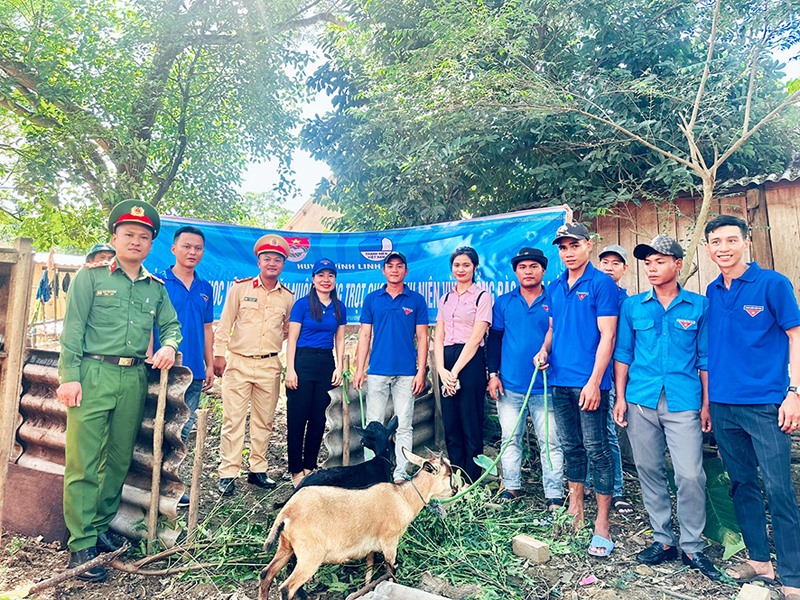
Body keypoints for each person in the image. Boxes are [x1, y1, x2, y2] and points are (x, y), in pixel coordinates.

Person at [57, 200, 181, 581]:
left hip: (133, 378)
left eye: (144, 237)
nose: (136, 241)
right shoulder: (90, 278)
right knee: (83, 460)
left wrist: (168, 346)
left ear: (150, 244)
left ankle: (99, 527)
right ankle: (79, 545)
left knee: (118, 458)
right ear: (115, 237)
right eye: (129, 234)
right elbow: (73, 330)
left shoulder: (155, 288)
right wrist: (68, 377)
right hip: (92, 373)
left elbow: (172, 326)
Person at [703, 215, 800, 599]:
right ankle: (760, 561)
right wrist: (709, 403)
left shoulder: (773, 284)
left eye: (730, 240)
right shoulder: (712, 290)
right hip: (724, 406)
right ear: (708, 247)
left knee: (779, 489)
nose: (723, 248)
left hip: (766, 404)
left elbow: (796, 336)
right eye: (715, 241)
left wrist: (794, 391)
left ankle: (792, 575)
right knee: (742, 484)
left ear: (746, 242)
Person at [613, 235, 719, 580]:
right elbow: (623, 354)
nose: (653, 268)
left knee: (690, 474)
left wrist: (705, 404)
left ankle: (692, 545)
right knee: (648, 469)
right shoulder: (633, 306)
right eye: (648, 263)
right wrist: (620, 396)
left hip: (683, 400)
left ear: (677, 264)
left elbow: (705, 358)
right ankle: (663, 540)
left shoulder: (699, 306)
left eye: (660, 261)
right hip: (641, 399)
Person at [534, 222, 617, 558]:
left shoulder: (601, 284)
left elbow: (608, 336)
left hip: (590, 383)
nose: (568, 252)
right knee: (571, 447)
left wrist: (595, 381)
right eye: (562, 247)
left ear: (588, 245)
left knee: (597, 448)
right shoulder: (554, 287)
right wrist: (544, 350)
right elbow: (554, 328)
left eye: (574, 245)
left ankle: (602, 523)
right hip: (559, 379)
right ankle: (575, 510)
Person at [213, 234, 294, 496]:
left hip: (270, 365)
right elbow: (225, 324)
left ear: (283, 264)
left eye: (278, 259)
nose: (272, 263)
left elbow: (286, 330)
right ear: (258, 261)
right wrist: (218, 354)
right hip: (239, 363)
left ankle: (258, 469)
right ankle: (228, 473)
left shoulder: (288, 297)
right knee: (233, 420)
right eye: (267, 258)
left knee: (264, 421)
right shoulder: (240, 289)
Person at [487, 247, 564, 507]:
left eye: (533, 266)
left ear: (543, 270)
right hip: (510, 386)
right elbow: (494, 340)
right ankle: (511, 488)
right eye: (522, 267)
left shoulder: (554, 299)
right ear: (516, 272)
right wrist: (493, 375)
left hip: (546, 385)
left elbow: (560, 335)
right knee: (510, 440)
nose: (528, 271)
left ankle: (554, 494)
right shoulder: (504, 302)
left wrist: (549, 356)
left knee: (550, 442)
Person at [353, 251, 429, 482]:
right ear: (383, 271)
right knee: (372, 428)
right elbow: (365, 335)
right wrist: (359, 369)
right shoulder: (373, 299)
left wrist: (421, 371)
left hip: (407, 374)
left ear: (406, 271)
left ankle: (399, 474)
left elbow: (423, 338)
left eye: (399, 266)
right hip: (377, 371)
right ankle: (372, 474)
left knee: (404, 425)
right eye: (390, 266)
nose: (394, 270)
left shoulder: (416, 300)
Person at [154, 226, 215, 507]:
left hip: (195, 372)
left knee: (182, 432)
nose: (192, 252)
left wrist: (210, 365)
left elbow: (207, 329)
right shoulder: (158, 283)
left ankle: (173, 487)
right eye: (187, 246)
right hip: (164, 369)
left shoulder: (205, 288)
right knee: (157, 428)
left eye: (198, 248)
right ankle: (151, 483)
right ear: (174, 249)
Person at [285, 258, 347, 487]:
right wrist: (290, 369)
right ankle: (295, 470)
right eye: (321, 275)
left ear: (335, 280)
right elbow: (292, 338)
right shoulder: (302, 305)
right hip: (303, 361)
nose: (326, 280)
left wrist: (339, 366)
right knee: (297, 418)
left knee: (319, 418)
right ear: (313, 279)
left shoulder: (338, 307)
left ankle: (310, 467)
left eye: (330, 275)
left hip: (325, 363)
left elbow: (339, 339)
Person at [434, 246, 492, 483]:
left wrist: (455, 372)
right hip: (446, 361)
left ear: (474, 268)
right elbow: (438, 336)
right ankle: (456, 478)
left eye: (466, 265)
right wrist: (441, 371)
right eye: (457, 265)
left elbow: (477, 337)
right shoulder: (446, 298)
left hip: (470, 362)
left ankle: (471, 481)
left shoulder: (482, 296)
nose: (461, 269)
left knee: (470, 422)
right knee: (451, 423)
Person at [585, 244, 632, 514]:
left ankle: (615, 489)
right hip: (586, 371)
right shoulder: (591, 291)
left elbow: (621, 343)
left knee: (607, 433)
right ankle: (593, 481)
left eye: (616, 263)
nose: (609, 267)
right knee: (588, 432)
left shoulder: (626, 302)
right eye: (605, 262)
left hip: (612, 377)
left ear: (624, 269)